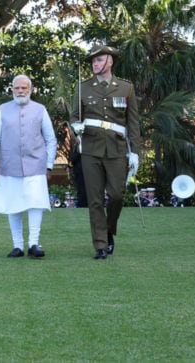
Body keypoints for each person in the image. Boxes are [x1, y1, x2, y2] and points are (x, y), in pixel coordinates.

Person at [70, 45, 141, 259]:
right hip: (91, 148)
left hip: (117, 149)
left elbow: (133, 123)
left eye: (99, 60)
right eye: (93, 61)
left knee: (117, 195)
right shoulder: (83, 87)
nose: (95, 64)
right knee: (95, 199)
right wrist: (76, 127)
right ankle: (100, 244)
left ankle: (109, 230)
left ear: (110, 61)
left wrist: (135, 152)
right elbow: (74, 116)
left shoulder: (125, 88)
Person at [0, 74, 57, 259]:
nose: (20, 91)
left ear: (31, 89)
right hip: (9, 165)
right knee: (13, 205)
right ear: (12, 89)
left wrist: (49, 164)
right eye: (17, 88)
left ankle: (34, 243)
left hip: (36, 164)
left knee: (36, 203)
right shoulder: (2, 110)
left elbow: (50, 139)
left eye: (24, 88)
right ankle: (17, 245)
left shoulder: (40, 110)